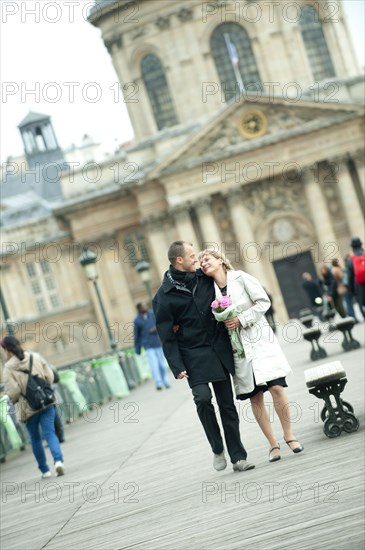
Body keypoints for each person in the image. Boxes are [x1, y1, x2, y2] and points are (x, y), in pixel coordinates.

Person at [153, 241, 254, 472]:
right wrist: (176, 366)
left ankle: (238, 457)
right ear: (179, 260)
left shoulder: (204, 278)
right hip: (192, 356)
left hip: (218, 351)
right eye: (191, 255)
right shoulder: (164, 296)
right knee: (202, 399)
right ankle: (217, 448)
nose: (196, 258)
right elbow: (166, 335)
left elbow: (227, 284)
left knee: (227, 405)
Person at [198, 248, 304, 463]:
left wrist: (242, 319)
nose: (203, 264)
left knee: (276, 387)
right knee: (255, 396)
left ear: (220, 260)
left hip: (260, 340)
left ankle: (289, 435)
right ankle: (273, 444)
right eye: (200, 262)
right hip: (238, 349)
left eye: (206, 259)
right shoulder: (209, 291)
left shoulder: (241, 277)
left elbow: (264, 302)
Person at [1, 336, 65, 478]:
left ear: (6, 350)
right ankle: (58, 462)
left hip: (27, 407)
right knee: (50, 434)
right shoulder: (35, 356)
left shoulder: (8, 367)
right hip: (46, 401)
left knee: (35, 439)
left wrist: (13, 396)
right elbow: (50, 376)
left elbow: (13, 392)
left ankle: (45, 470)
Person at [134, 302, 170, 390]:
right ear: (139, 309)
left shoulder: (152, 314)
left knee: (162, 364)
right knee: (154, 364)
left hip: (157, 343)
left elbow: (160, 324)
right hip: (148, 345)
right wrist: (137, 348)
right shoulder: (137, 320)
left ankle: (166, 381)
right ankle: (158, 383)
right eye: (143, 306)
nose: (146, 307)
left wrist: (155, 329)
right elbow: (136, 335)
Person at [347, 237, 365, 319]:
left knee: (362, 303)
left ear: (352, 247)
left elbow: (350, 277)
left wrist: (352, 291)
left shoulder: (351, 260)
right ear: (361, 245)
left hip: (359, 285)